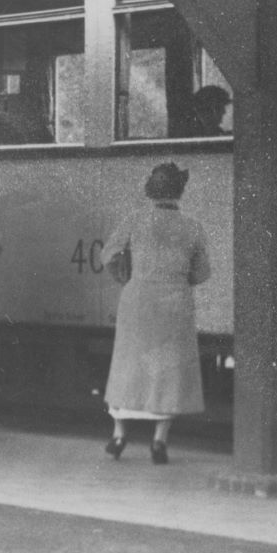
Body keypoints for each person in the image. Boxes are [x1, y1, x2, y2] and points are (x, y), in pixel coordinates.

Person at [102, 162, 210, 465]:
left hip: (138, 298)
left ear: (150, 190)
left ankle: (119, 434)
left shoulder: (135, 220)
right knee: (166, 370)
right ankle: (159, 441)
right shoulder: (193, 226)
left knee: (128, 364)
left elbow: (109, 254)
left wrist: (127, 276)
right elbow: (202, 272)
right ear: (180, 190)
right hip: (175, 301)